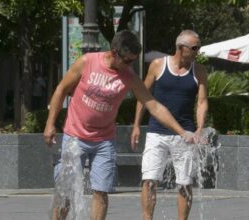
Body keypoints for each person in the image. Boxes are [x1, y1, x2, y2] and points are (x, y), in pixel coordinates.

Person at [44, 30, 197, 220]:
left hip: (104, 141)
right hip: (74, 136)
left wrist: (182, 132)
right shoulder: (87, 62)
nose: (129, 65)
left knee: (101, 192)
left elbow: (154, 106)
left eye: (133, 61)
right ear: (113, 52)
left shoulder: (129, 76)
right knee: (65, 191)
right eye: (126, 60)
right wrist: (50, 124)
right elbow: (61, 89)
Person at [130, 30, 208, 220]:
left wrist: (199, 128)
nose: (198, 51)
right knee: (149, 179)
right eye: (195, 47)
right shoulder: (158, 65)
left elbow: (202, 101)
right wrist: (136, 125)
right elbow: (143, 95)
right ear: (182, 48)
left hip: (186, 134)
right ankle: (147, 218)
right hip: (157, 132)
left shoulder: (199, 71)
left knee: (185, 182)